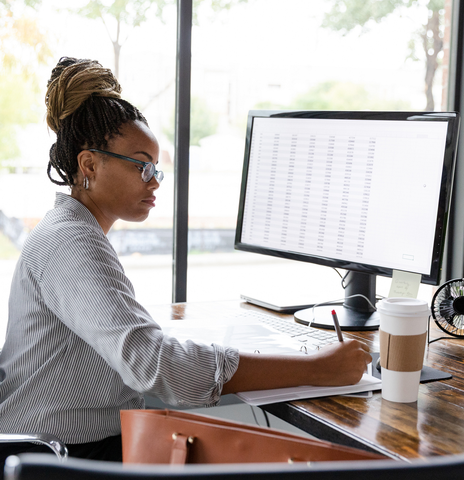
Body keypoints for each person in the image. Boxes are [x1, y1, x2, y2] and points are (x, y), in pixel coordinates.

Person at [0, 57, 371, 468]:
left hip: (73, 445)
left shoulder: (74, 231)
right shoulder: (70, 242)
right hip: (54, 458)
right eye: (142, 165)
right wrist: (317, 369)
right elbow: (156, 365)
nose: (155, 180)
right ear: (89, 165)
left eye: (156, 167)